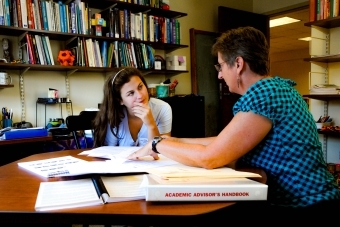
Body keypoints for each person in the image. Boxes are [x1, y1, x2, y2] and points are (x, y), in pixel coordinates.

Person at [128, 27, 340, 219]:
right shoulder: (277, 88)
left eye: (220, 66)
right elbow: (224, 141)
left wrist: (157, 143)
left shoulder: (264, 95)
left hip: (307, 209)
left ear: (238, 64)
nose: (219, 75)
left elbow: (210, 158)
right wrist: (173, 140)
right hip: (314, 202)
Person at [93, 67, 172, 147]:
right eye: (131, 93)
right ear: (120, 100)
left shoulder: (163, 109)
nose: (140, 96)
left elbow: (162, 151)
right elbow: (108, 153)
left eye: (140, 87)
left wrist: (151, 125)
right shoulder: (114, 115)